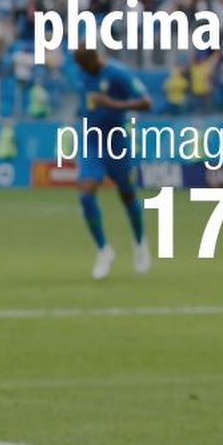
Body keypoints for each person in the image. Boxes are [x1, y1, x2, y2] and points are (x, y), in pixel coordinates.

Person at [73, 48, 152, 279]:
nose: (83, 71)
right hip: (91, 141)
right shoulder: (82, 74)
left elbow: (147, 102)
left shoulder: (118, 74)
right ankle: (103, 250)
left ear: (94, 60)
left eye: (85, 66)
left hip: (116, 141)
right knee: (86, 192)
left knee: (127, 196)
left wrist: (111, 104)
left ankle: (140, 244)